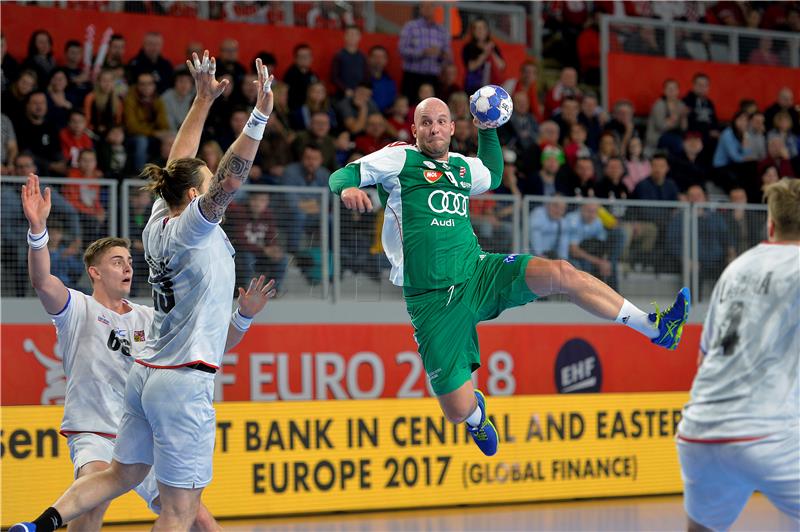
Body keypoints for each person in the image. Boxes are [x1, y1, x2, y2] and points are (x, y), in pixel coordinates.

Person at [328, 96, 691, 457]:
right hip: (433, 301)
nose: (434, 128)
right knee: (456, 410)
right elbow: (342, 174)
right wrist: (348, 188)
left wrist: (488, 130)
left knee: (561, 272)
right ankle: (476, 420)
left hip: (478, 273)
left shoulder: (461, 166)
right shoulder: (400, 158)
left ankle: (655, 328)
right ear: (414, 130)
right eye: (426, 122)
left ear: (454, 128)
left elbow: (494, 174)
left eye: (441, 121)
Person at [10, 51, 275, 532]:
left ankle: (45, 522)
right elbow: (232, 177)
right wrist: (258, 117)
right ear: (195, 196)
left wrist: (200, 102)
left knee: (122, 472)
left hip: (146, 375)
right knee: (178, 512)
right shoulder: (193, 226)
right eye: (205, 179)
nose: (211, 177)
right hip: (183, 381)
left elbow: (178, 162)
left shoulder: (158, 219)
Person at [677, 178, 800, 532]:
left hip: (699, 431)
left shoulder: (737, 269)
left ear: (770, 224)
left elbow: (704, 357)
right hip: (765, 433)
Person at [398, 2, 452, 103]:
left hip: (433, 77)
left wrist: (442, 54)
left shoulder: (441, 30)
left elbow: (448, 55)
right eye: (424, 6)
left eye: (430, 6)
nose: (428, 9)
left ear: (434, 8)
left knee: (432, 109)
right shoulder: (410, 27)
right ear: (420, 8)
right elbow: (402, 50)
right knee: (411, 107)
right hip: (413, 76)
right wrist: (422, 52)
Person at [461, 18, 506, 95]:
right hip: (474, 88)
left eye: (482, 28)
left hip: (492, 87)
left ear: (487, 30)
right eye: (477, 28)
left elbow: (501, 66)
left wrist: (491, 51)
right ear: (473, 31)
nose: (480, 31)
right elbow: (471, 67)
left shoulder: (493, 46)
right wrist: (485, 53)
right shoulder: (468, 47)